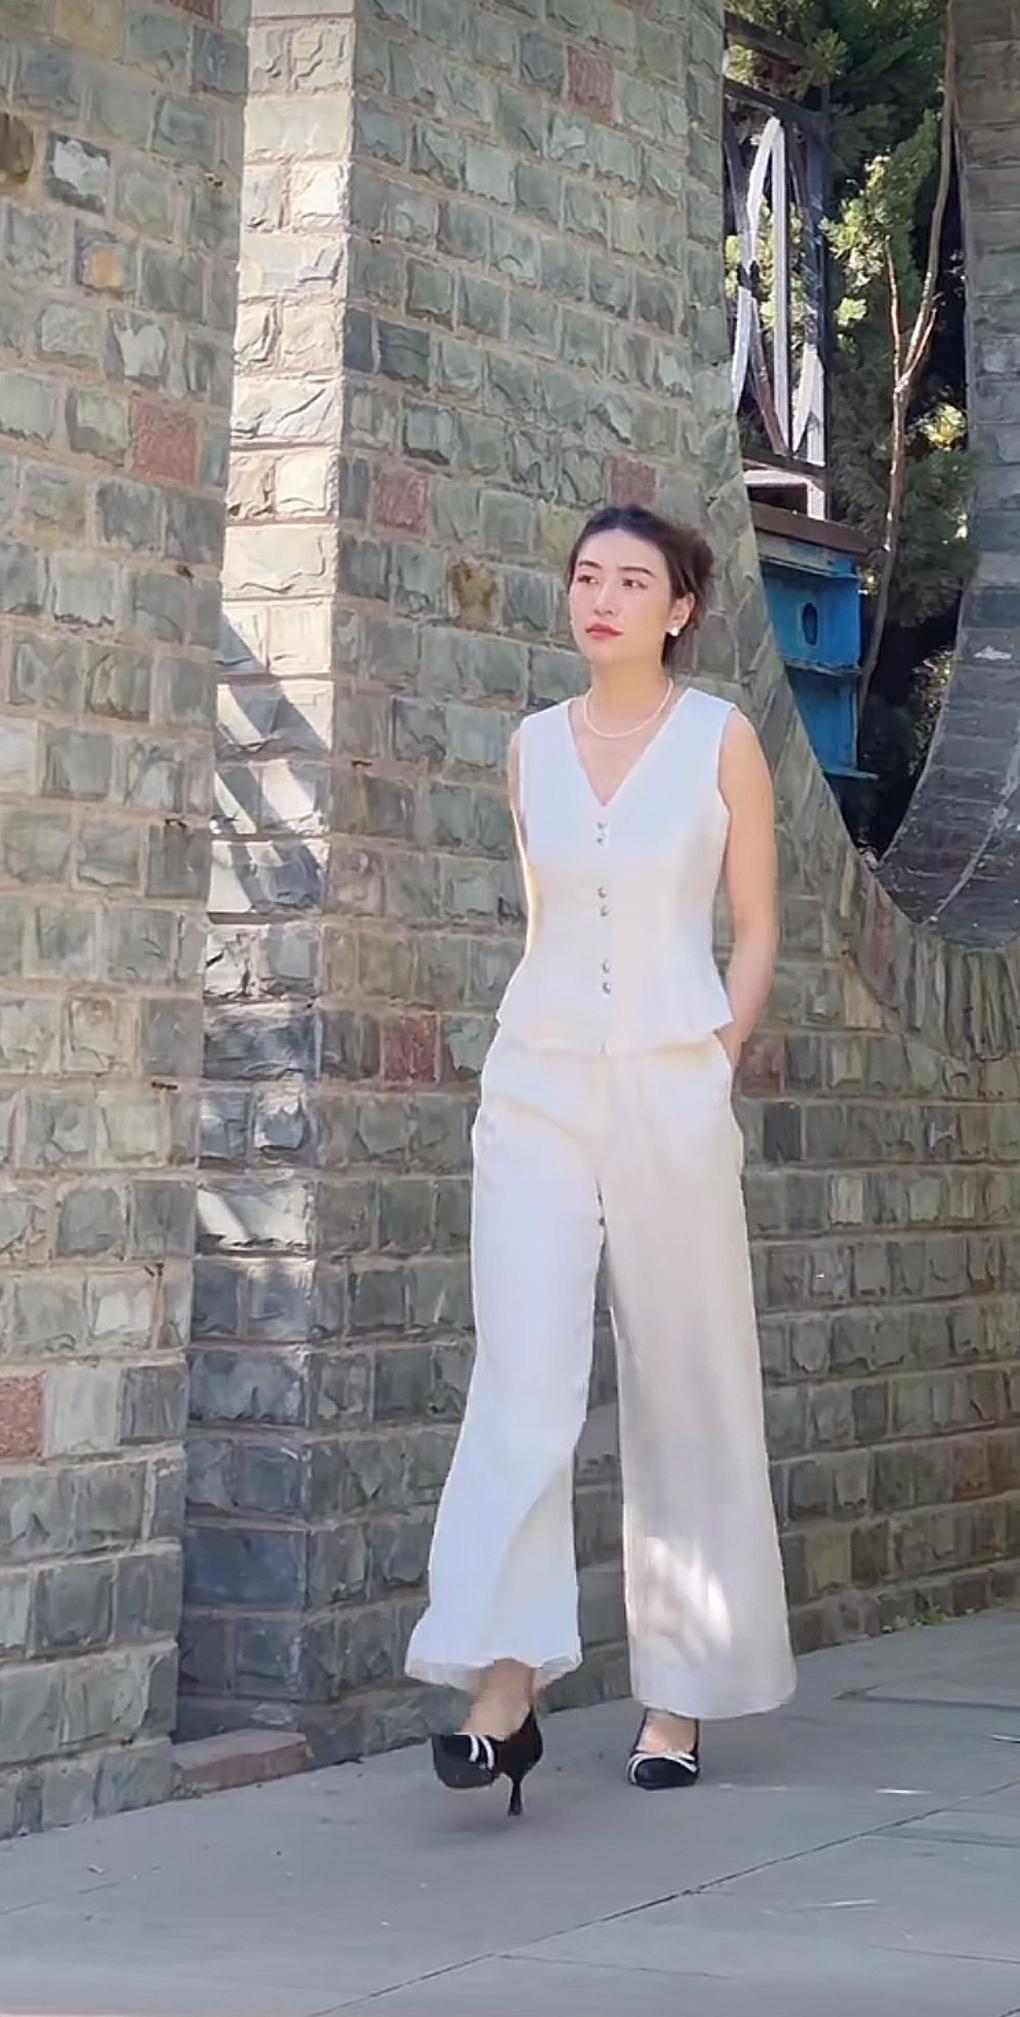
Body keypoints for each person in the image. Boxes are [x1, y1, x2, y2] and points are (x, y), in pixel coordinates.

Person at [405, 504, 796, 1815]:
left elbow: (754, 924)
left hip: (672, 1085)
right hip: (539, 1085)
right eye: (587, 576)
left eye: (633, 580)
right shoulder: (531, 748)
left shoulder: (720, 737)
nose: (603, 597)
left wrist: (716, 1052)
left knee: (688, 1378)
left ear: (679, 608)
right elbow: (547, 922)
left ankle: (679, 1691)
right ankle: (505, 1685)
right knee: (524, 1373)